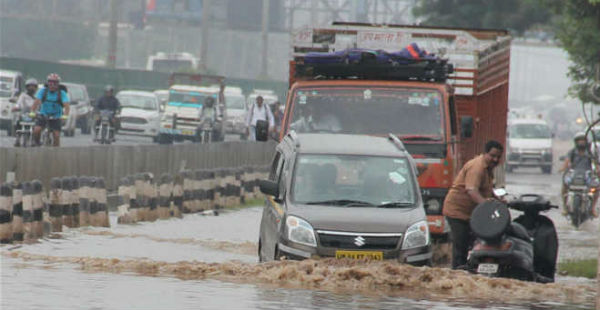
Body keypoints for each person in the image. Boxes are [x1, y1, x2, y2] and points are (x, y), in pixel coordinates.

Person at [442, 140, 504, 269]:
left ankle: (470, 270)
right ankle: (457, 275)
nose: (495, 159)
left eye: (498, 157)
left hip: (471, 214)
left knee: (476, 243)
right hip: (457, 212)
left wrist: (499, 201)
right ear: (485, 153)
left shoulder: (488, 169)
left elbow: (486, 191)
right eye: (492, 156)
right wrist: (487, 206)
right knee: (461, 247)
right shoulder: (477, 168)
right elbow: (472, 191)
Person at [560, 132, 599, 217]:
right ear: (576, 142)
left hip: (587, 174)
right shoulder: (572, 152)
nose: (581, 142)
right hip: (574, 174)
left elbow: (595, 162)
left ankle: (592, 208)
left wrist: (597, 170)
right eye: (579, 141)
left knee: (596, 188)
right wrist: (563, 168)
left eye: (583, 140)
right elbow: (567, 161)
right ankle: (565, 208)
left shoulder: (590, 152)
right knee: (565, 186)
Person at [32, 73, 70, 147]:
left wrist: (65, 116)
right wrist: (32, 112)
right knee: (37, 130)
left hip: (56, 116)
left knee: (56, 135)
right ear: (48, 83)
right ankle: (37, 144)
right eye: (50, 82)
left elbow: (67, 106)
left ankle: (56, 152)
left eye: (55, 83)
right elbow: (35, 102)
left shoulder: (62, 93)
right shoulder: (43, 91)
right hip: (44, 114)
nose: (52, 85)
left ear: (58, 84)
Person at [13, 78, 38, 146]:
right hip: (24, 115)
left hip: (33, 116)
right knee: (17, 121)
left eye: (33, 86)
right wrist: (16, 107)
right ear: (27, 87)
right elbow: (18, 103)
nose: (31, 88)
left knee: (37, 125)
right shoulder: (22, 96)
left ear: (36, 88)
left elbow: (40, 106)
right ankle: (17, 137)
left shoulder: (37, 97)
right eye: (30, 86)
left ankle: (34, 139)